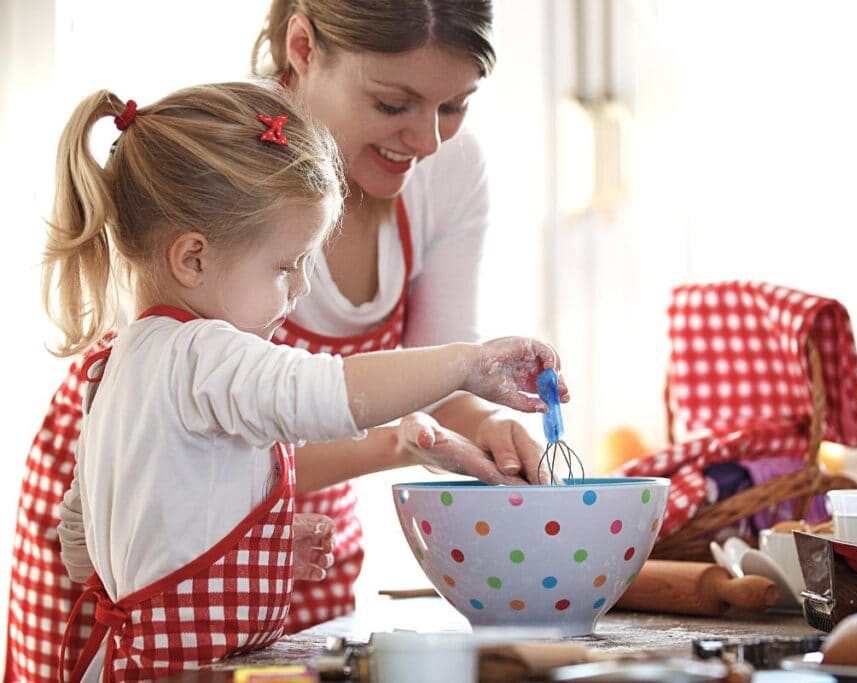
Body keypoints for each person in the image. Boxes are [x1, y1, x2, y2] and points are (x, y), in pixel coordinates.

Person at [6, 2, 536, 679]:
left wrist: (486, 418)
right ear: (303, 46)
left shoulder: (447, 172)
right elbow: (269, 414)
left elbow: (437, 384)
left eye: (455, 106)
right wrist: (442, 394)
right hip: (139, 517)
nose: (429, 140)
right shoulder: (236, 177)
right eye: (393, 101)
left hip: (265, 534)